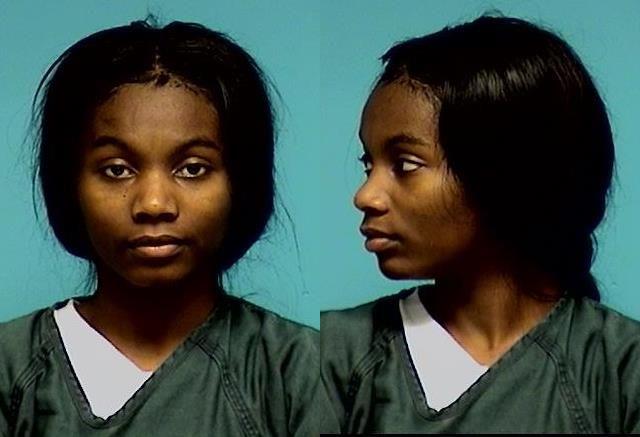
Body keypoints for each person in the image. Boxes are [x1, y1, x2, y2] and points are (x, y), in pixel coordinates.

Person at [0, 20, 321, 436]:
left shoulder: (299, 372)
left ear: (241, 183)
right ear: (68, 184)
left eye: (192, 168)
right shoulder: (11, 369)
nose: (153, 203)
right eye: (117, 169)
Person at [321, 15, 640, 434]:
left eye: (405, 164)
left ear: (507, 175)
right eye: (369, 165)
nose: (366, 196)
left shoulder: (622, 371)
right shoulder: (331, 356)